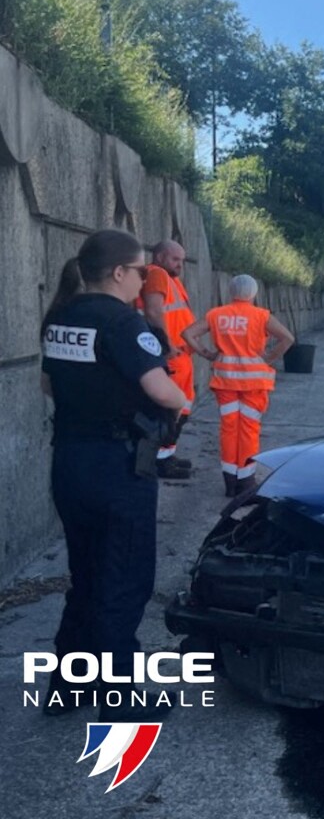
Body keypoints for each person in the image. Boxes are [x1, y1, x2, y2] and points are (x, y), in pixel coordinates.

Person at [40, 229, 190, 719]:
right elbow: (162, 390)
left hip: (69, 462)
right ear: (121, 272)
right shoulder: (123, 322)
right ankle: (119, 698)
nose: (145, 279)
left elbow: (48, 384)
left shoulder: (62, 316)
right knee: (122, 580)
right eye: (143, 271)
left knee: (84, 577)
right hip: (117, 467)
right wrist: (182, 400)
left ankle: (68, 688)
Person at [183, 274, 294, 497]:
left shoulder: (217, 314)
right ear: (253, 293)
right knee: (249, 430)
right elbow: (287, 338)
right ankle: (246, 481)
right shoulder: (261, 316)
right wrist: (269, 358)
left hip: (225, 382)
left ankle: (230, 481)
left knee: (229, 429)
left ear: (230, 292)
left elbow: (187, 333)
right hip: (254, 383)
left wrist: (207, 354)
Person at [136, 239, 197, 480]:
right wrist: (167, 344)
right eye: (175, 259)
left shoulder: (170, 279)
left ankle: (166, 456)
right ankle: (160, 460)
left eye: (182, 260)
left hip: (180, 355)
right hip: (171, 355)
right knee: (168, 410)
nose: (180, 265)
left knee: (180, 409)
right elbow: (153, 310)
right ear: (160, 257)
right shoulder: (158, 274)